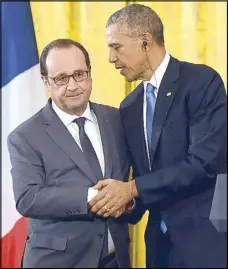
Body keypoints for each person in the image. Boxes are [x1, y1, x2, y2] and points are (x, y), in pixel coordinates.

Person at [88, 4, 227, 268]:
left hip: (206, 243)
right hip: (159, 248)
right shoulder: (129, 107)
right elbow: (143, 180)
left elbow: (204, 163)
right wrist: (124, 202)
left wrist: (132, 189)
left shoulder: (201, 82)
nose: (110, 58)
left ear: (145, 41)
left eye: (116, 47)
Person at [7, 39, 134, 268]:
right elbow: (28, 198)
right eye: (61, 79)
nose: (73, 85)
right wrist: (90, 198)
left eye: (79, 74)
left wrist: (129, 199)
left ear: (90, 73)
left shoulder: (116, 120)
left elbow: (131, 181)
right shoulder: (25, 136)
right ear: (46, 81)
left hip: (117, 260)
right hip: (58, 262)